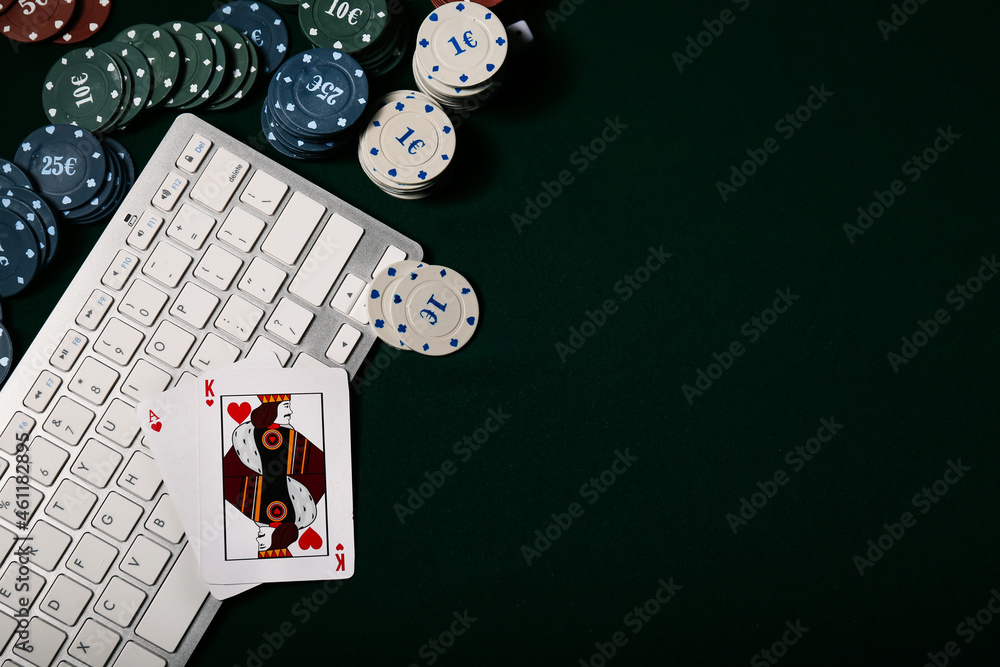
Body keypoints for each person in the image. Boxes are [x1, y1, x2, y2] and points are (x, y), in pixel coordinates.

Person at [224, 394, 324, 557]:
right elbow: (321, 465)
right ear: (271, 409)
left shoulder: (258, 510)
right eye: (286, 406)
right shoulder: (274, 436)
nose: (290, 411)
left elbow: (321, 466)